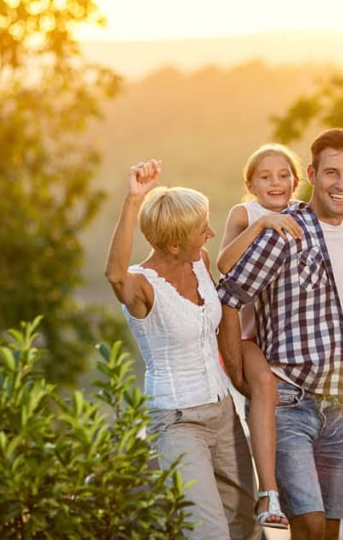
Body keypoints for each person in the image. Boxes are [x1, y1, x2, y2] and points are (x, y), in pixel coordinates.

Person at [216, 128, 343, 540]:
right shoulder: (284, 231)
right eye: (332, 173)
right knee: (308, 524)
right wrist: (238, 373)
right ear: (312, 173)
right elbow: (228, 296)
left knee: (334, 527)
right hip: (289, 402)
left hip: (335, 404)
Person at [104, 160, 258, 540]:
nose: (209, 233)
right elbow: (114, 274)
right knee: (208, 532)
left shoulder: (201, 262)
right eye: (200, 230)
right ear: (173, 243)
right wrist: (133, 200)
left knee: (245, 525)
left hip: (223, 410)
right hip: (177, 420)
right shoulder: (142, 287)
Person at [215, 144, 304, 530]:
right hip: (247, 335)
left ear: (296, 181)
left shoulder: (303, 215)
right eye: (265, 177)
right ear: (250, 184)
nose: (275, 183)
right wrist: (261, 225)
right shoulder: (244, 213)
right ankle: (268, 493)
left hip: (286, 333)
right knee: (264, 382)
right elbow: (223, 263)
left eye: (283, 175)